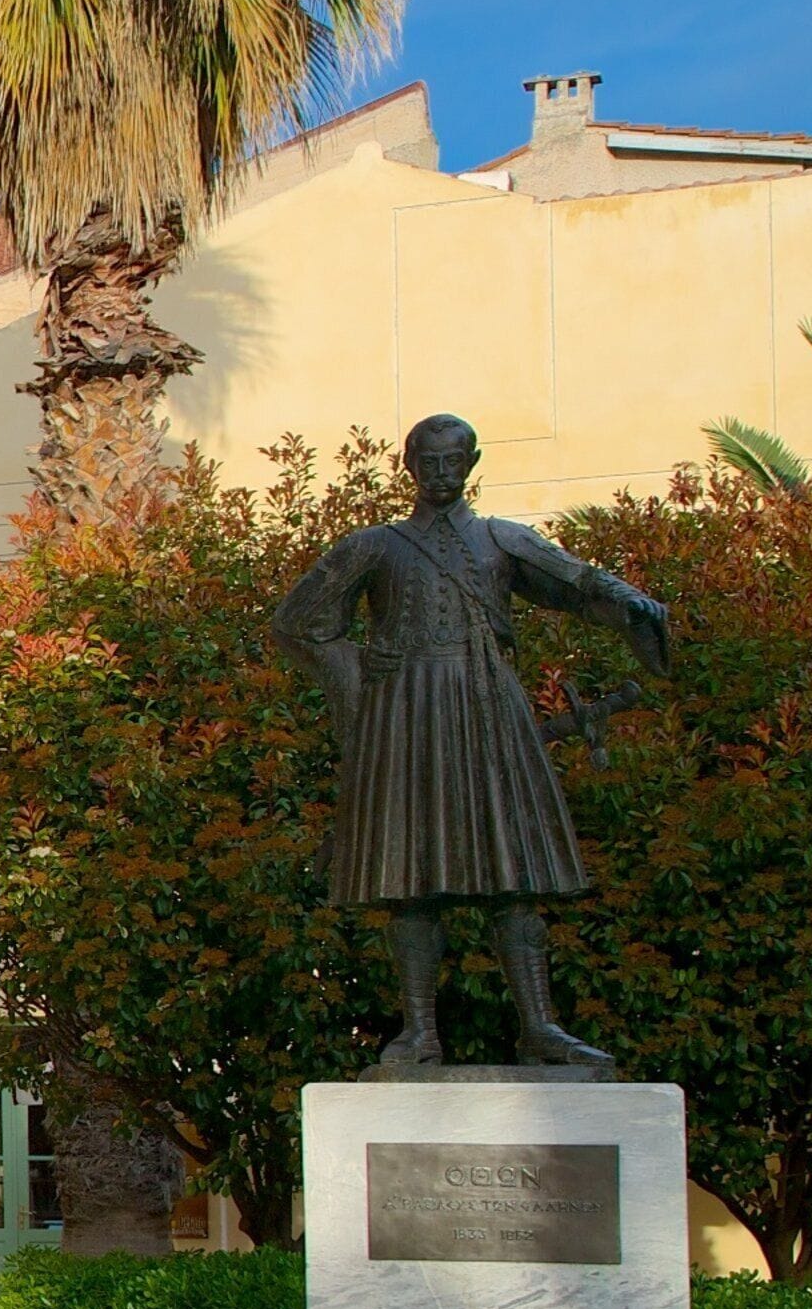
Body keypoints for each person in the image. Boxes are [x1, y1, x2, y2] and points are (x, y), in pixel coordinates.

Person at [269, 412, 671, 1069]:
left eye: (452, 460)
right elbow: (296, 622)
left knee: (514, 875)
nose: (440, 473)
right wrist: (358, 669)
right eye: (427, 461)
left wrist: (630, 602)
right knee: (411, 879)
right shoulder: (373, 546)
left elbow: (576, 583)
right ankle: (420, 1032)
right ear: (408, 465)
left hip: (487, 706)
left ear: (472, 462)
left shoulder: (502, 539)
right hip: (406, 713)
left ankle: (540, 1026)